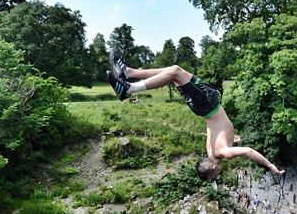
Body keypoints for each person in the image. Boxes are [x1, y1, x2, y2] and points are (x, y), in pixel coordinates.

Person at [107, 52, 284, 180]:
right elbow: (217, 132)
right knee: (174, 74)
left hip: (208, 104)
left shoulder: (223, 153)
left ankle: (130, 87)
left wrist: (270, 166)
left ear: (214, 168)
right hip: (201, 108)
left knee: (176, 72)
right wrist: (232, 140)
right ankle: (129, 73)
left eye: (214, 176)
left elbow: (249, 152)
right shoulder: (211, 150)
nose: (217, 175)